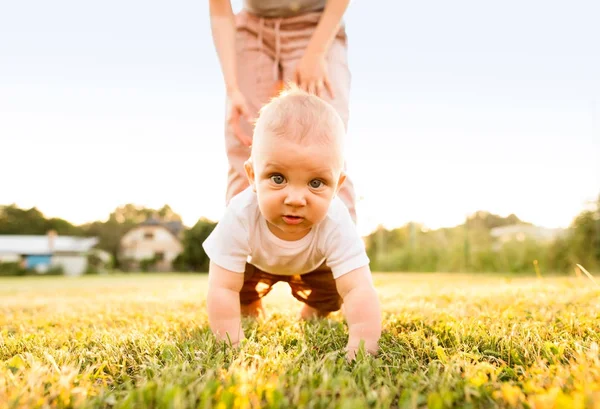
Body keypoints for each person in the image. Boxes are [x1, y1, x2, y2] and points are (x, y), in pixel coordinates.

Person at [202, 88, 381, 360]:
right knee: (239, 296)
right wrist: (231, 347)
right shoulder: (240, 213)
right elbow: (222, 287)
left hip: (314, 266)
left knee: (330, 297)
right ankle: (252, 305)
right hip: (256, 263)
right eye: (277, 178)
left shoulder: (336, 219)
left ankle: (313, 310)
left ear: (337, 186)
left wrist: (363, 344)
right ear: (252, 175)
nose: (296, 199)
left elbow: (357, 288)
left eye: (316, 183)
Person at [208, 0, 358, 222]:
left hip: (317, 23)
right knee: (244, 142)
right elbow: (220, 12)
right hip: (252, 29)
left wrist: (316, 54)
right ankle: (240, 251)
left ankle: (341, 253)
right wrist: (232, 88)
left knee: (323, 142)